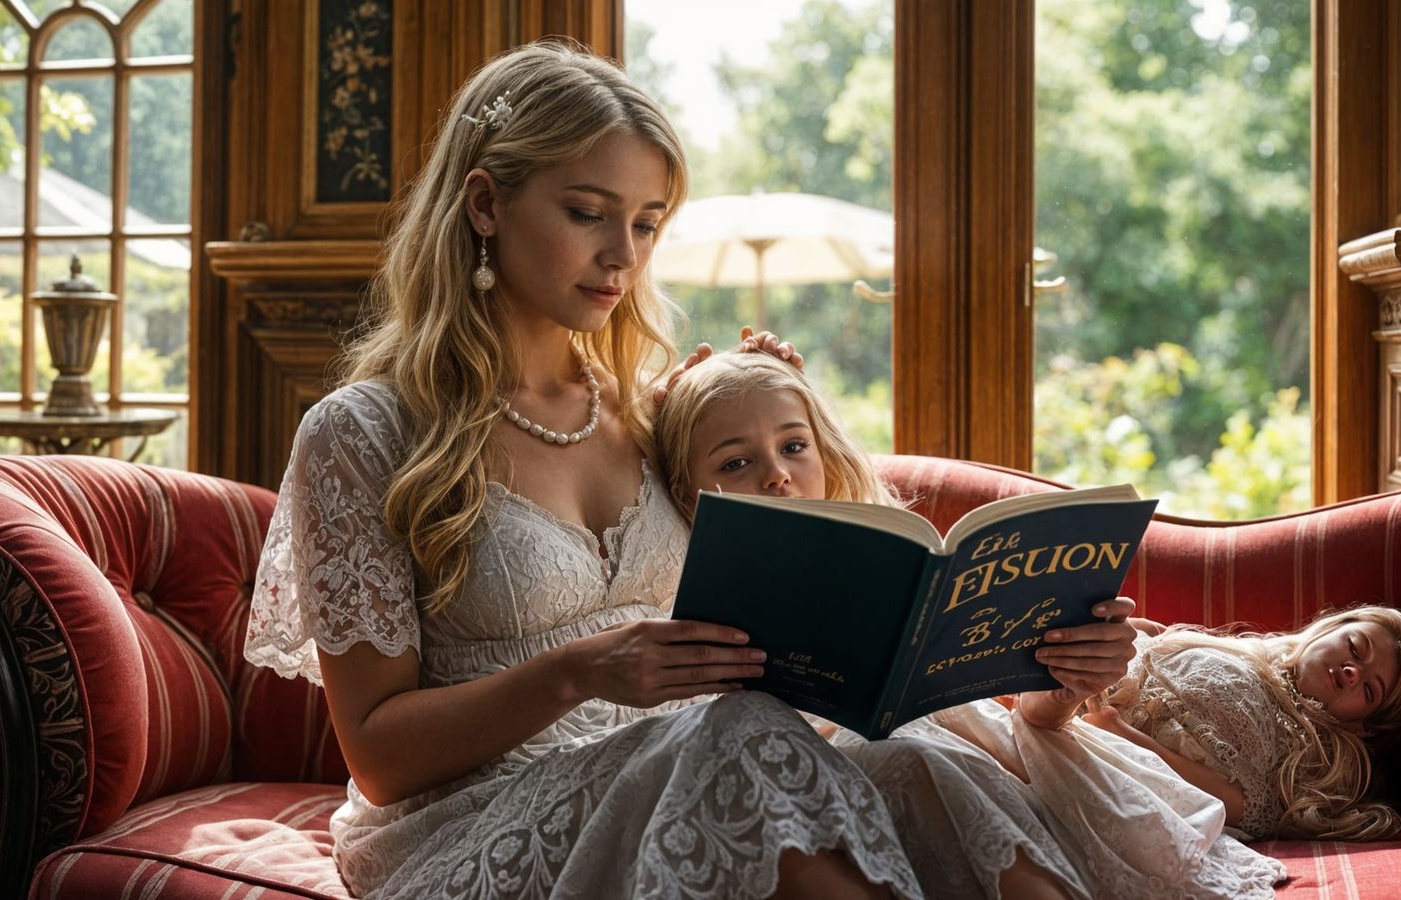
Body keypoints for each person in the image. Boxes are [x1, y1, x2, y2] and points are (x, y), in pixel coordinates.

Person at [243, 40, 1141, 899]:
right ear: (484, 204)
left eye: (645, 223)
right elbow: (379, 757)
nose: (623, 256)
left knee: (917, 760)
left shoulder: (652, 416)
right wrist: (575, 672)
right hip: (467, 819)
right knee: (742, 738)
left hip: (700, 768)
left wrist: (763, 409)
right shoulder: (363, 435)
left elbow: (795, 582)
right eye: (587, 214)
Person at [652, 350, 1401, 896]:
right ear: (688, 493)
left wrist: (1064, 673)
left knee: (931, 748)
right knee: (916, 755)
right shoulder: (680, 579)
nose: (777, 474)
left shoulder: (870, 545)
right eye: (736, 463)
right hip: (798, 754)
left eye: (794, 446)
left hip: (958, 728)